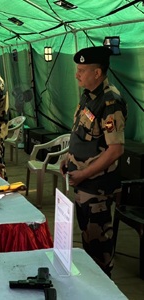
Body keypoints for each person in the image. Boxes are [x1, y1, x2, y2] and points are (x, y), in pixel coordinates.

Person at [61, 46, 127, 277]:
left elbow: (115, 150)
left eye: (81, 70)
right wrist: (67, 157)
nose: (77, 74)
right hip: (83, 185)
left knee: (100, 249)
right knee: (88, 240)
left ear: (97, 73)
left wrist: (83, 174)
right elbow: (80, 133)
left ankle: (104, 289)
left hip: (96, 187)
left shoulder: (110, 103)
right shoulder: (88, 96)